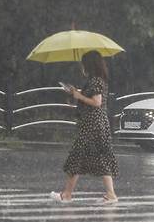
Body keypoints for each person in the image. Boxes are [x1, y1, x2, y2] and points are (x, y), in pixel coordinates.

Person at [50, 50, 119, 204]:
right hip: (96, 125)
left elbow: (97, 102)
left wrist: (79, 96)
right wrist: (75, 94)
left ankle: (67, 195)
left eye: (84, 63)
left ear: (89, 64)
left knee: (77, 158)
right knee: (98, 159)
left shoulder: (95, 81)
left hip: (92, 126)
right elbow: (91, 100)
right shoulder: (96, 80)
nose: (82, 66)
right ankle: (110, 194)